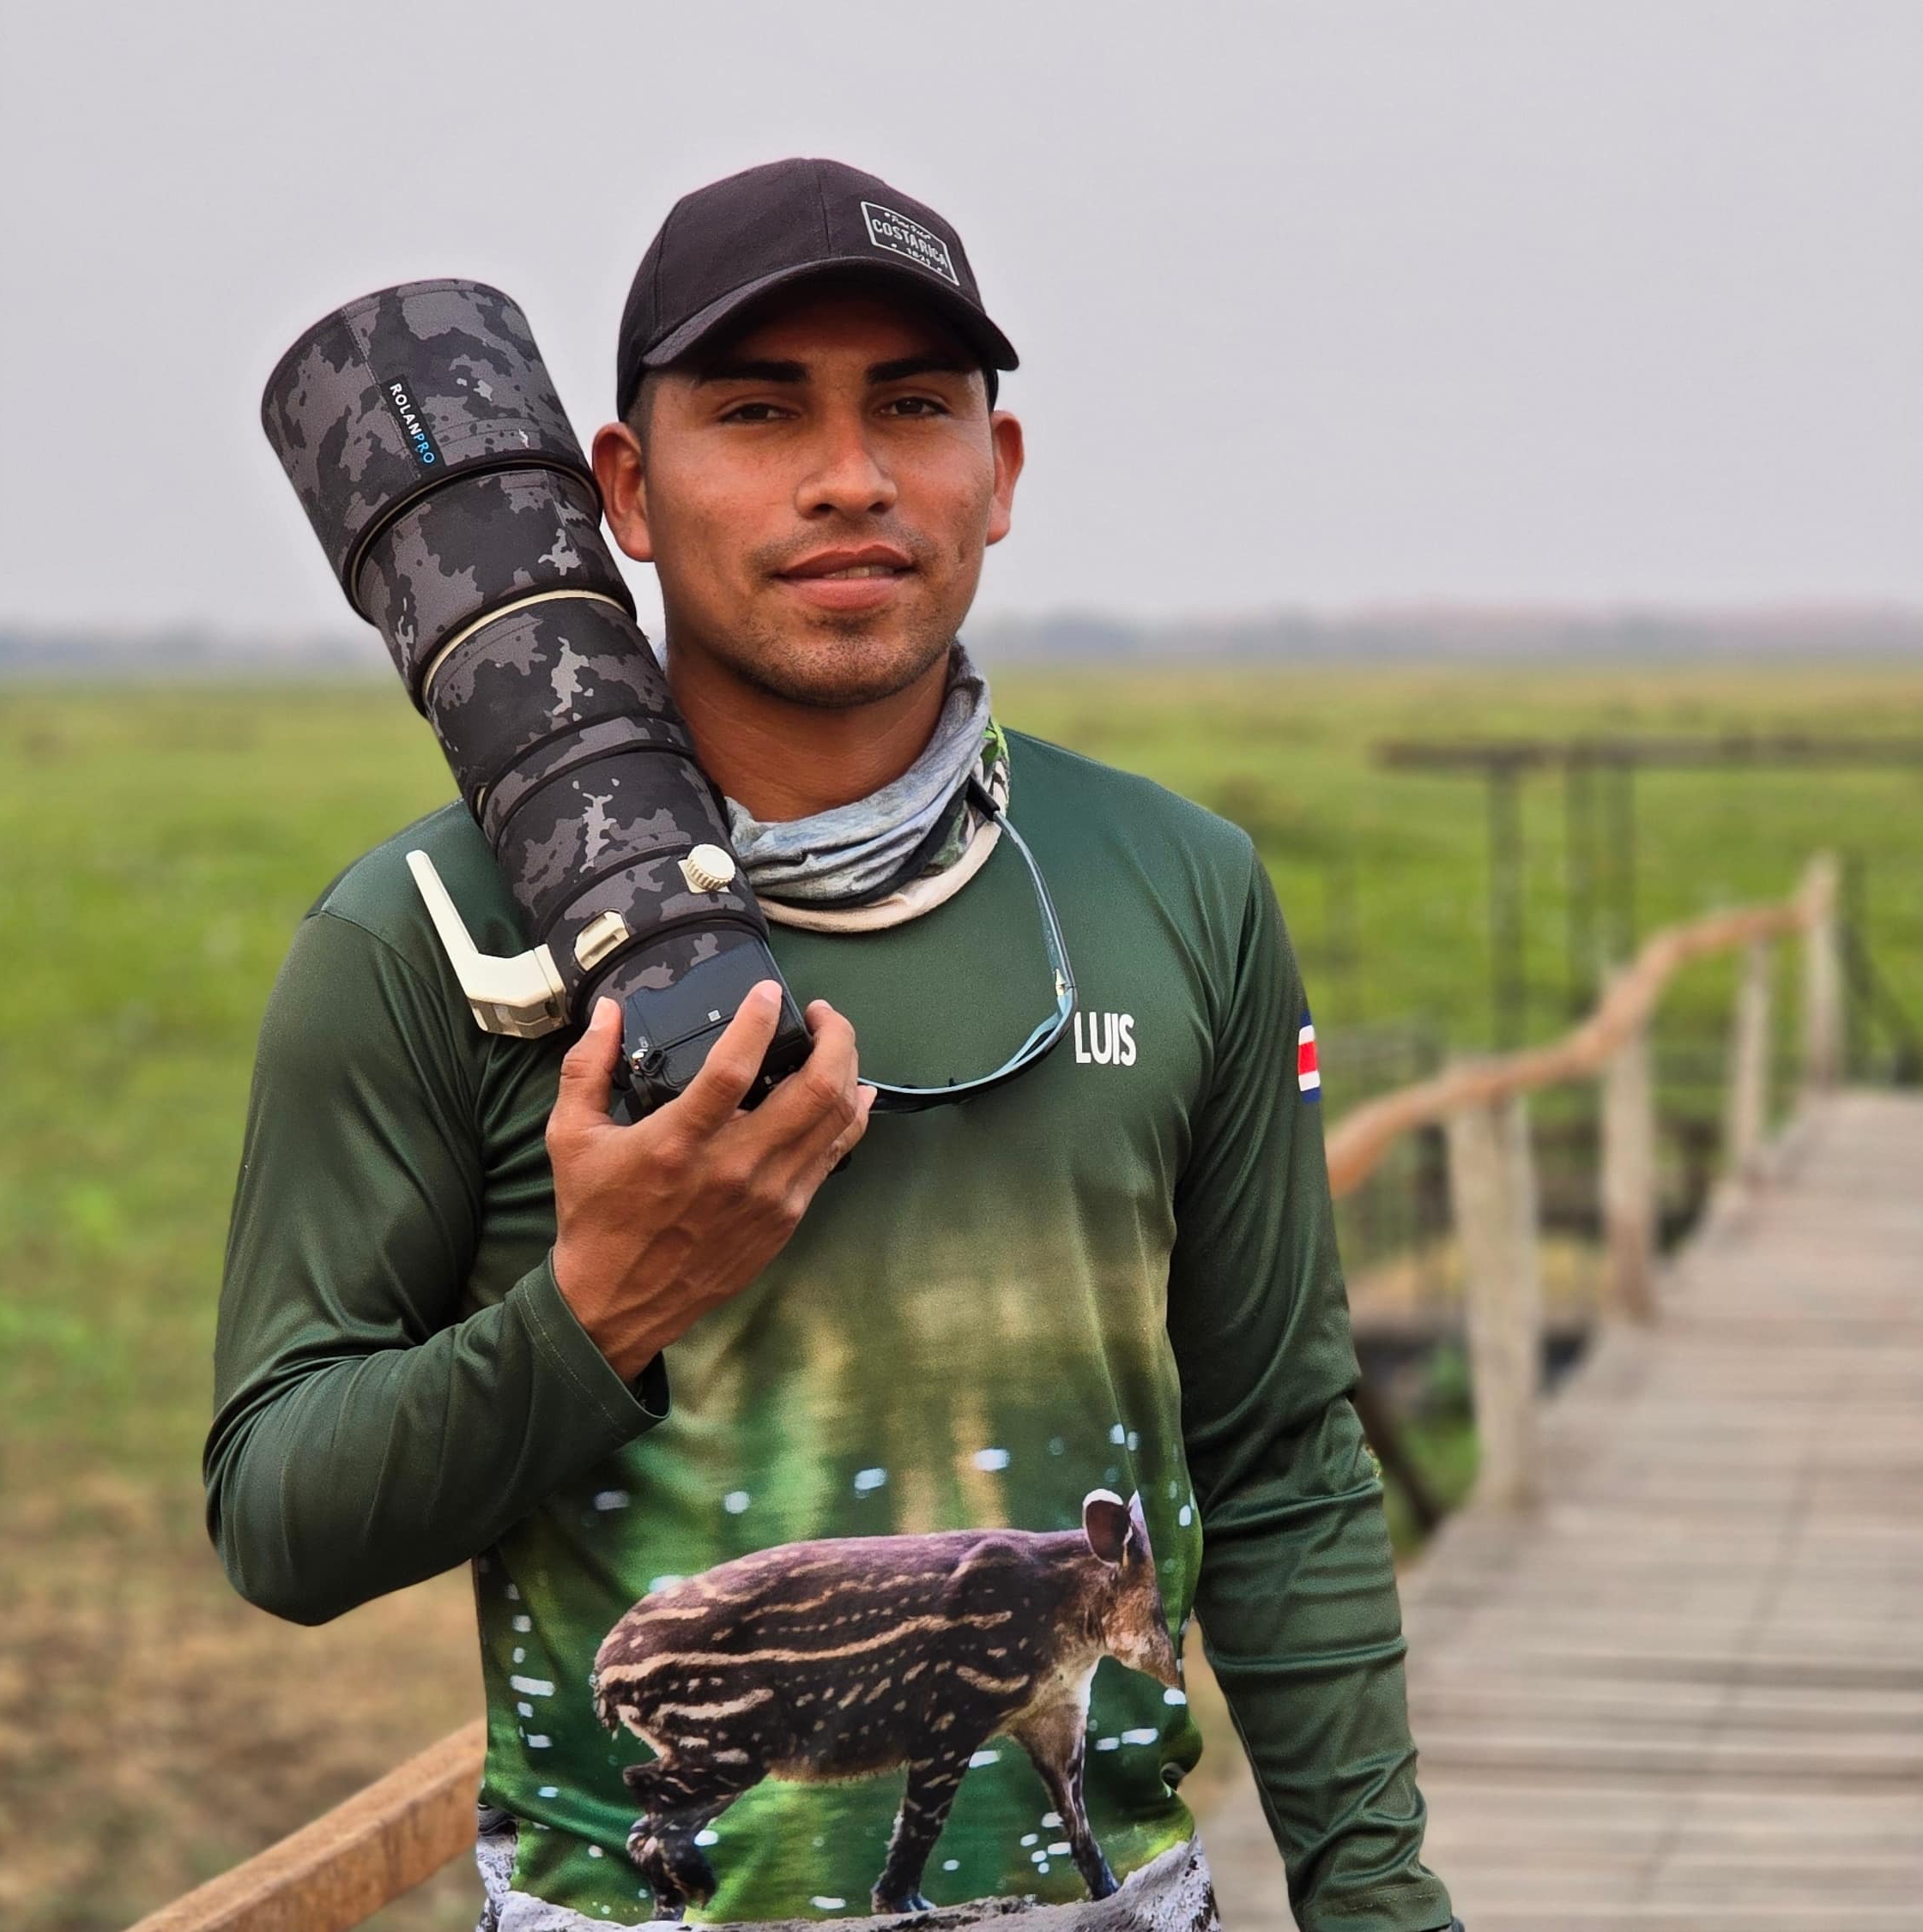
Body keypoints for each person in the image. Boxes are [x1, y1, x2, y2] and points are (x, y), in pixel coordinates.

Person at [206, 157, 1460, 1932]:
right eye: (759, 408)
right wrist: (605, 1304)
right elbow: (279, 1519)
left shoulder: (1177, 888)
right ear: (621, 492)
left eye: (915, 406)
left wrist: (1379, 1899)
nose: (851, 475)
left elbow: (1280, 1459)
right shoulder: (426, 936)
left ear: (998, 474)